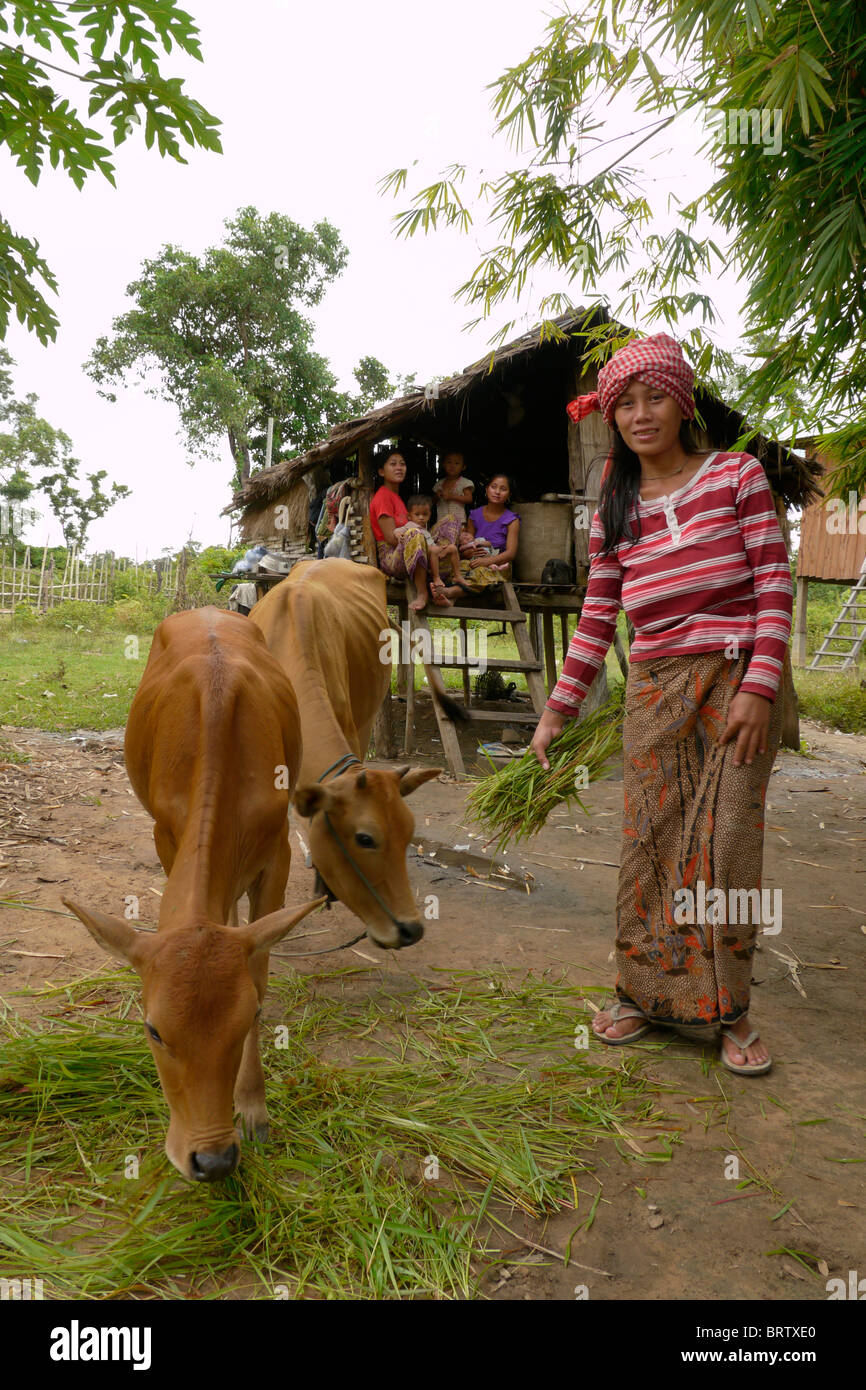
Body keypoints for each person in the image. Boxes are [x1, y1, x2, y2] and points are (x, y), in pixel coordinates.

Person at [529, 333, 793, 1076]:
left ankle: (731, 1011)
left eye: (655, 397)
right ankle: (642, 996)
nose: (641, 414)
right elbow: (596, 616)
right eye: (625, 404)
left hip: (734, 683)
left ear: (682, 402)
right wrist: (556, 710)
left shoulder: (735, 476)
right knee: (649, 841)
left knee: (728, 845)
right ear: (611, 416)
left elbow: (775, 583)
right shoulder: (614, 507)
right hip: (653, 688)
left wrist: (760, 686)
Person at [369, 451, 463, 610]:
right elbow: (391, 539)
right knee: (414, 532)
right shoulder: (383, 497)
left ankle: (440, 578)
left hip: (413, 551)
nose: (399, 467)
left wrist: (432, 547)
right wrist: (414, 533)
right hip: (392, 557)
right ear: (381, 471)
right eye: (393, 464)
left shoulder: (397, 497)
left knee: (451, 520)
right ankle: (422, 593)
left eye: (402, 463)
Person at [460, 474, 521, 583]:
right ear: (487, 489)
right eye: (493, 487)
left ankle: (452, 592)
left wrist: (487, 561)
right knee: (459, 569)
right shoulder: (474, 515)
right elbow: (467, 543)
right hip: (475, 561)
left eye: (503, 489)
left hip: (500, 565)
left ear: (509, 494)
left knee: (482, 573)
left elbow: (511, 553)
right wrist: (468, 553)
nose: (497, 492)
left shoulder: (512, 520)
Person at [405, 495, 469, 598]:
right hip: (424, 554)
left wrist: (441, 548)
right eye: (417, 514)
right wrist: (397, 533)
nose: (421, 517)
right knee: (434, 550)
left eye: (425, 514)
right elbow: (400, 531)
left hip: (433, 549)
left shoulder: (425, 528)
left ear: (430, 514)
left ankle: (457, 575)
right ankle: (436, 577)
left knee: (452, 548)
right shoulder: (409, 525)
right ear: (409, 516)